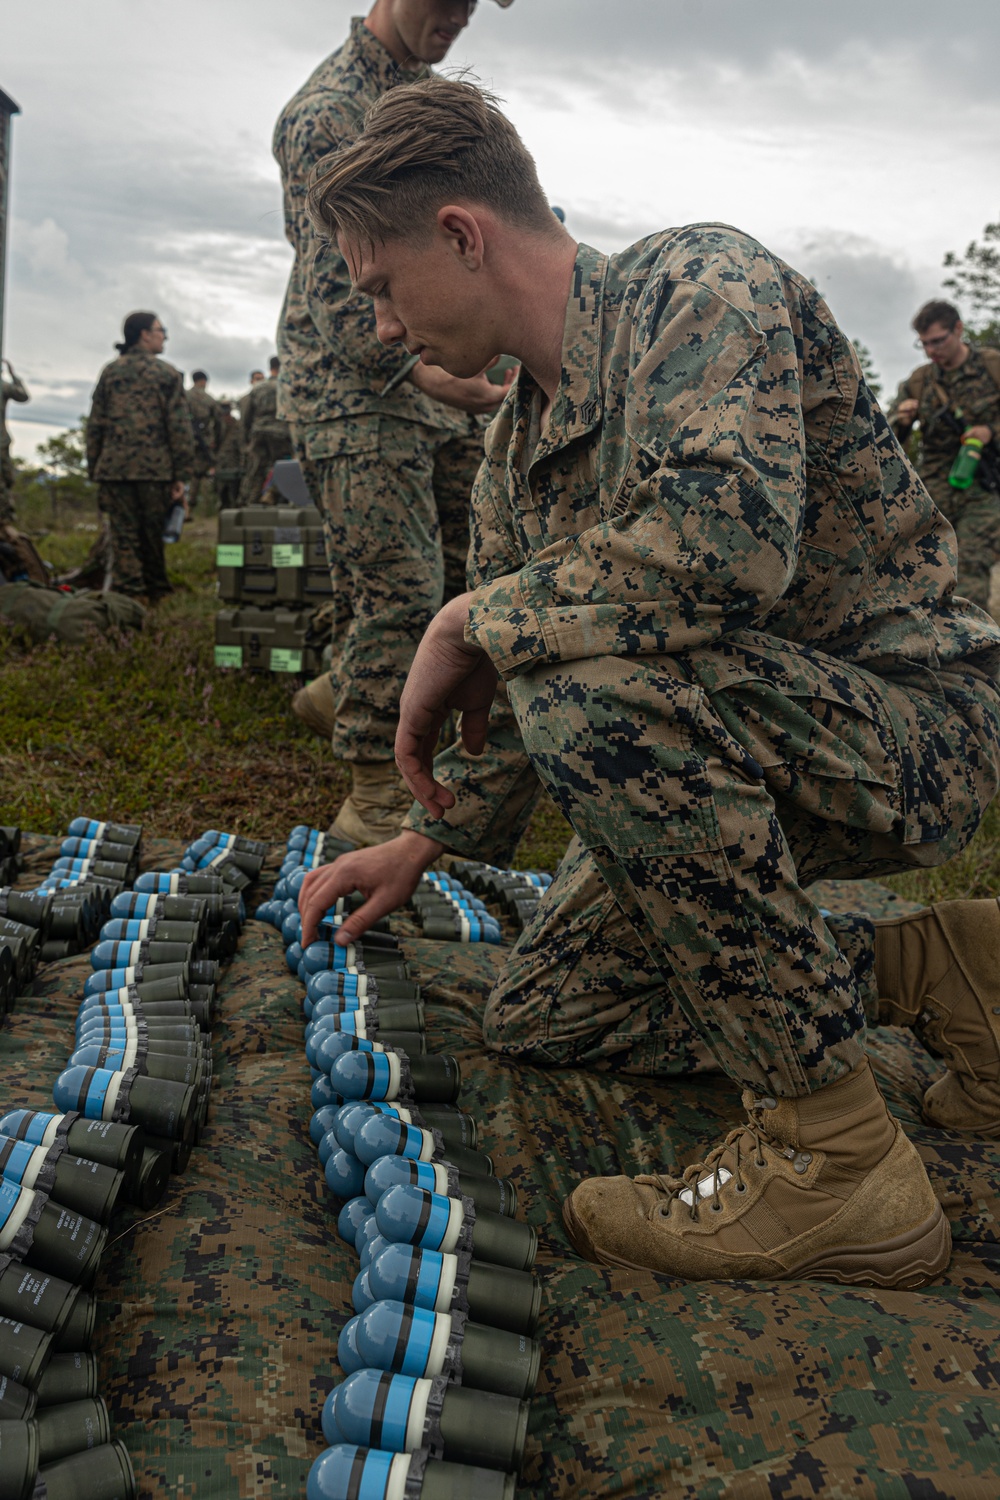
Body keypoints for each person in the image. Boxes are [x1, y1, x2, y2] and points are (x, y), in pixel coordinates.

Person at [298, 78, 1000, 1290]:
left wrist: (473, 614)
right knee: (553, 1010)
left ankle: (833, 1155)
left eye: (377, 287)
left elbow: (726, 549)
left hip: (913, 727)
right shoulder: (515, 453)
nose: (380, 328)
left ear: (462, 236)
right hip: (749, 735)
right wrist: (425, 835)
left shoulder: (698, 288)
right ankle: (930, 971)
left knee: (590, 677)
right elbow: (528, 673)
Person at [273, 0, 515, 847]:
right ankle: (376, 790)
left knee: (460, 575)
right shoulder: (328, 113)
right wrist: (430, 371)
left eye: (471, 5)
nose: (456, 18)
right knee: (401, 589)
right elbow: (339, 282)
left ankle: (345, 685)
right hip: (356, 388)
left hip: (431, 384)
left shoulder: (423, 98)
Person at [889, 300, 1000, 610]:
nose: (930, 351)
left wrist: (991, 431)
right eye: (923, 344)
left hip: (983, 487)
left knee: (970, 568)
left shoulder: (992, 367)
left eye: (937, 341)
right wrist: (902, 417)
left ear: (958, 330)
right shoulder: (919, 381)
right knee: (925, 568)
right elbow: (889, 439)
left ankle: (974, 649)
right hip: (934, 490)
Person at [86, 312, 195, 603]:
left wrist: (94, 467)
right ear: (144, 334)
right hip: (155, 470)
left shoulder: (110, 372)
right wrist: (181, 475)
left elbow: (95, 424)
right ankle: (156, 591)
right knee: (152, 534)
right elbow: (179, 427)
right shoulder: (167, 374)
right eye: (161, 330)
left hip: (115, 469)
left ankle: (130, 596)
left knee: (124, 536)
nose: (165, 336)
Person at [239, 356, 293, 504]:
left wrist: (247, 438)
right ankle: (272, 493)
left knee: (256, 468)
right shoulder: (287, 386)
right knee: (284, 465)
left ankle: (249, 500)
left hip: (258, 432)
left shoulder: (258, 388)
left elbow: (246, 416)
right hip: (281, 433)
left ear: (270, 368)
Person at [186, 370, 224, 509]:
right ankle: (212, 504)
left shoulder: (184, 396)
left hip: (186, 440)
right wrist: (217, 441)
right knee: (210, 471)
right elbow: (219, 423)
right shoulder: (209, 399)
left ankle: (189, 505)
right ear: (204, 381)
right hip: (205, 441)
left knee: (192, 474)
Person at [0, 357, 30, 523]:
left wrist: (14, 376)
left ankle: (4, 520)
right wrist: (14, 377)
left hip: (1, 441)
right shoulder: (3, 386)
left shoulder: (3, 387)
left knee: (5, 479)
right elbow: (23, 395)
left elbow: (23, 396)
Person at [214, 402, 243, 509]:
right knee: (221, 489)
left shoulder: (237, 426)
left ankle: (234, 507)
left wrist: (242, 462)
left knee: (234, 488)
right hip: (220, 462)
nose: (226, 416)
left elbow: (241, 445)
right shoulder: (217, 426)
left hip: (233, 461)